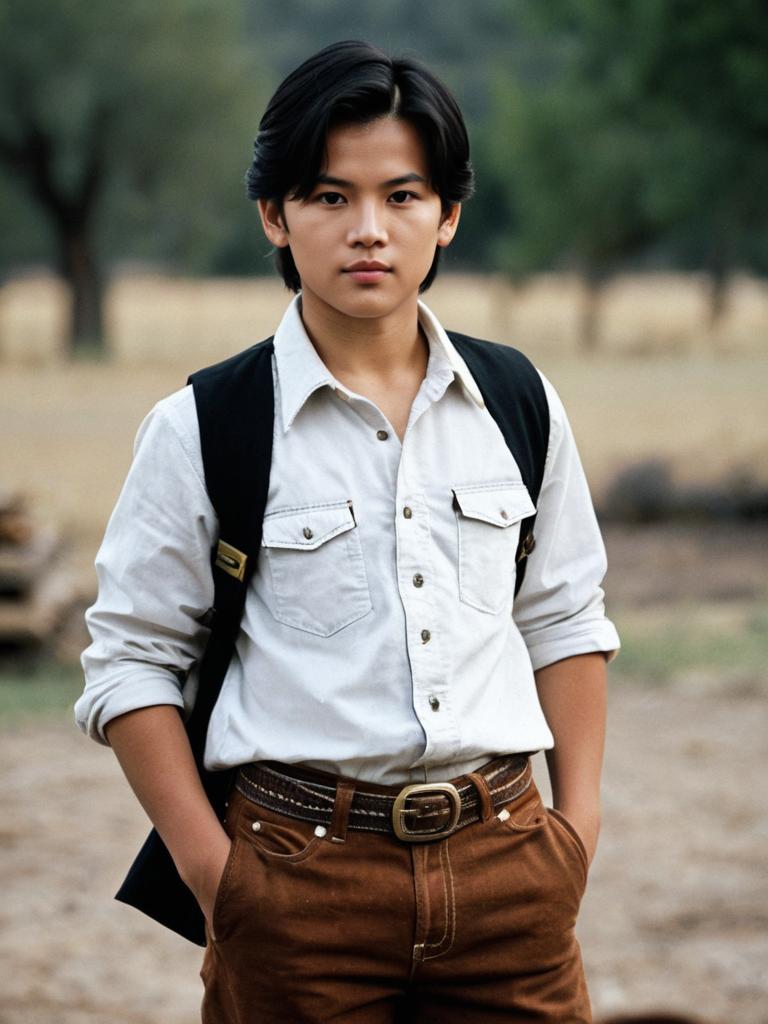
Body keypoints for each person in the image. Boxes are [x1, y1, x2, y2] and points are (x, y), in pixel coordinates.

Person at [75, 39, 620, 1023]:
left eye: (402, 196)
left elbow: (567, 616)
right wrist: (220, 880)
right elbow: (129, 664)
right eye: (330, 197)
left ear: (448, 214)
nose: (368, 229)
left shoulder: (519, 400)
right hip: (295, 884)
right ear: (274, 215)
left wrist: (574, 832)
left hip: (511, 873)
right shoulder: (203, 425)